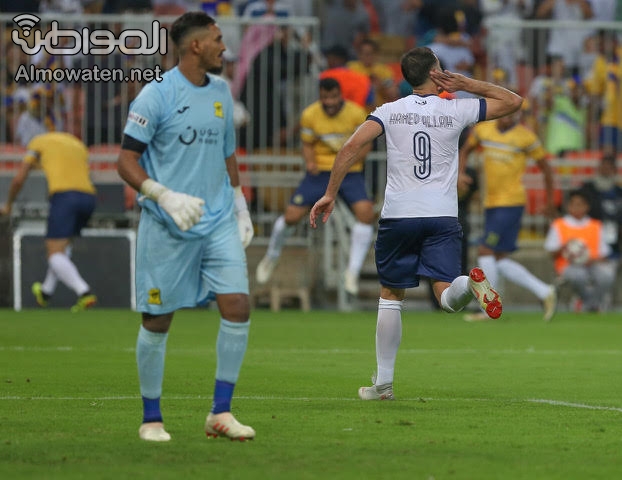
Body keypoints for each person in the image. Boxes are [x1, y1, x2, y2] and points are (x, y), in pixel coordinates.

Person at [310, 47, 522, 400]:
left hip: (399, 215)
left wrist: (331, 192)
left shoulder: (389, 112)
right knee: (445, 294)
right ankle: (468, 284)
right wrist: (466, 83)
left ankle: (383, 384)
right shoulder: (457, 109)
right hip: (442, 215)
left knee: (391, 293)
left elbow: (350, 147)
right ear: (437, 72)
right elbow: (513, 101)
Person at [116, 12, 255, 442]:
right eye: (217, 40)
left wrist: (238, 203)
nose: (224, 47)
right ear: (195, 46)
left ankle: (221, 413)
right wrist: (164, 195)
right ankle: (151, 418)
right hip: (167, 223)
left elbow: (227, 152)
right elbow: (125, 161)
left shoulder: (221, 91)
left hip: (217, 222)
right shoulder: (154, 96)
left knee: (237, 307)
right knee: (157, 320)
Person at [256, 77, 375, 295]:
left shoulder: (356, 113)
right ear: (320, 97)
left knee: (365, 214)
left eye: (333, 97)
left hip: (349, 172)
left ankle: (352, 272)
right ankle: (271, 256)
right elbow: (307, 144)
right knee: (291, 216)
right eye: (325, 98)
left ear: (341, 95)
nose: (329, 102)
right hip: (320, 173)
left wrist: (352, 162)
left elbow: (365, 143)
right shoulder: (310, 114)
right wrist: (310, 161)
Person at [459, 109, 558, 322]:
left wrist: (549, 202)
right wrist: (461, 172)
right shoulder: (483, 130)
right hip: (491, 203)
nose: (506, 118)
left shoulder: (526, 137)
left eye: (511, 115)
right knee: (499, 258)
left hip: (511, 202)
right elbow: (465, 150)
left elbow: (546, 169)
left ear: (517, 116)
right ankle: (545, 291)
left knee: (486, 249)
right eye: (504, 114)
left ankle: (488, 306)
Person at [0, 132, 98, 312]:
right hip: (89, 197)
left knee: (54, 252)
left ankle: (84, 292)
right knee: (62, 248)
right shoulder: (77, 144)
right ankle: (46, 292)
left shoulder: (38, 142)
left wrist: (8, 204)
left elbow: (19, 178)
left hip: (65, 197)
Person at [544, 189, 613, 312]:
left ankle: (588, 303)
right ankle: (591, 304)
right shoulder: (559, 224)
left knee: (607, 274)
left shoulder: (596, 225)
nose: (576, 208)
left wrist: (589, 259)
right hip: (568, 265)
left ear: (587, 207)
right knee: (579, 275)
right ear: (568, 206)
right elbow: (551, 252)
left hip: (592, 264)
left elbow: (604, 254)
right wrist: (565, 249)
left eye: (580, 204)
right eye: (573, 204)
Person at [577, 152, 622, 310]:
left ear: (615, 171)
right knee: (584, 274)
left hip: (611, 246)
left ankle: (600, 301)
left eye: (610, 167)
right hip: (587, 245)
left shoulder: (618, 193)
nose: (606, 170)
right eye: (603, 166)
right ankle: (583, 300)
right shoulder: (587, 190)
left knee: (606, 274)